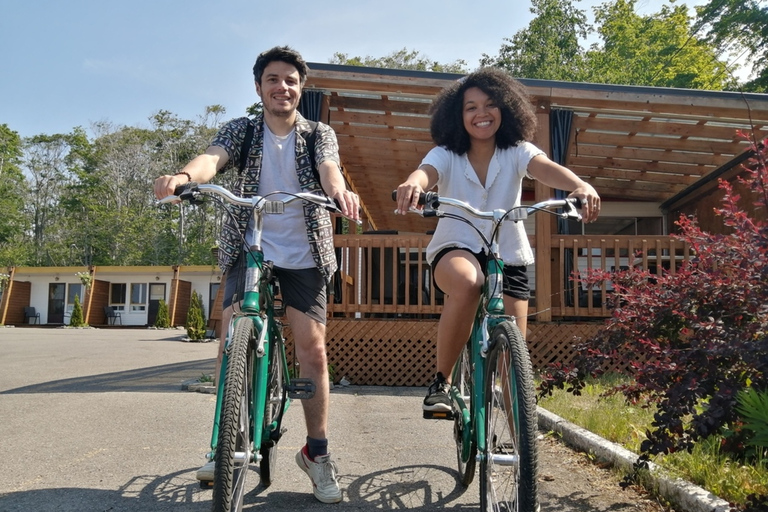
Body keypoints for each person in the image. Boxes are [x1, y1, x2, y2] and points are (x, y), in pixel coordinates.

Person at [154, 46, 359, 504]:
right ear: (258, 87)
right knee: (230, 342)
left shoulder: (317, 133)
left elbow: (330, 170)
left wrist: (340, 192)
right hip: (250, 246)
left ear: (300, 87)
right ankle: (223, 445)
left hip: (304, 250)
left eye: (290, 80)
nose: (281, 87)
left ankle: (317, 453)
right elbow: (213, 158)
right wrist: (184, 175)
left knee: (313, 350)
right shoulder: (242, 130)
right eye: (273, 79)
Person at [394, 68, 600, 413]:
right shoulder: (446, 153)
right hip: (455, 244)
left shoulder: (517, 150)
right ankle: (442, 382)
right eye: (470, 107)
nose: (481, 114)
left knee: (512, 352)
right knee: (468, 282)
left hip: (508, 252)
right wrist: (414, 183)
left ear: (506, 109)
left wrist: (580, 185)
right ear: (458, 117)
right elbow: (425, 173)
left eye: (489, 105)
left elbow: (545, 167)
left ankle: (519, 438)